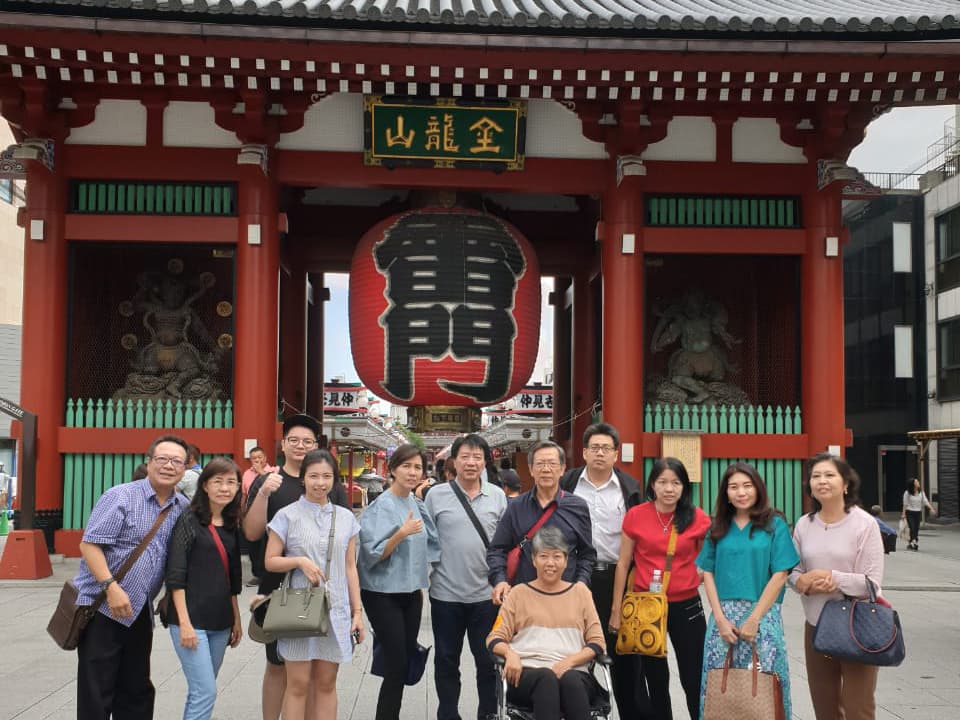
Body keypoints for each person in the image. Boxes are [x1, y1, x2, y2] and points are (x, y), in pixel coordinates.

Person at [73, 434, 190, 719]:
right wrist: (111, 587)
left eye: (177, 461)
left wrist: (168, 595)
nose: (169, 466)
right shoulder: (121, 496)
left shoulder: (182, 507)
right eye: (162, 459)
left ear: (185, 468)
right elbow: (90, 545)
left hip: (139, 610)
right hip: (102, 607)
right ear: (148, 462)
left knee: (136, 689)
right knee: (97, 689)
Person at [244, 414, 349, 720]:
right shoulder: (269, 481)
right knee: (277, 665)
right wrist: (263, 492)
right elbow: (251, 533)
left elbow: (343, 539)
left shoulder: (328, 483)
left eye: (307, 441)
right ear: (283, 444)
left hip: (319, 590)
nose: (300, 446)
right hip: (278, 587)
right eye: (294, 440)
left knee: (316, 670)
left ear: (316, 445)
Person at [264, 449, 364, 720]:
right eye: (314, 476)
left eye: (327, 476)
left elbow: (350, 567)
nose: (320, 483)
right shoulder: (287, 515)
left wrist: (357, 612)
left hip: (336, 608)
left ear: (334, 479)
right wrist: (299, 561)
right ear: (303, 478)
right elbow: (270, 561)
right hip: (300, 609)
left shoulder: (345, 518)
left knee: (326, 684)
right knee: (297, 685)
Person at [610, 457, 711, 720]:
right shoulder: (636, 516)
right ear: (652, 485)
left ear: (684, 486)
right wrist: (616, 610)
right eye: (663, 482)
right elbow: (623, 563)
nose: (669, 488)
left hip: (687, 606)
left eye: (676, 483)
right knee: (655, 678)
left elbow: (708, 561)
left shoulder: (697, 517)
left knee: (694, 676)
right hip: (646, 605)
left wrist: (694, 576)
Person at [696, 462, 799, 719]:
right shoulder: (718, 527)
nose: (741, 492)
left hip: (763, 616)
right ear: (726, 492)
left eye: (747, 485)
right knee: (719, 685)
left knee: (766, 685)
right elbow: (707, 572)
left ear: (758, 488)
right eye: (733, 487)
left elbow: (781, 574)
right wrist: (719, 619)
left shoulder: (774, 524)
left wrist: (754, 618)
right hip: (723, 620)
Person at [789, 453, 885, 720]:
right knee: (825, 708)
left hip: (857, 625)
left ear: (845, 483)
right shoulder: (804, 524)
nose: (822, 481)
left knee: (858, 708)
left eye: (829, 475)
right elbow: (793, 571)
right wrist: (802, 582)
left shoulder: (864, 524)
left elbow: (872, 584)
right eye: (816, 476)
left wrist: (832, 577)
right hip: (817, 625)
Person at [559, 422, 642, 720]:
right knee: (573, 649)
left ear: (616, 454)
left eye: (606, 448)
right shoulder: (567, 483)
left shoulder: (630, 489)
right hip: (572, 578)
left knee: (622, 654)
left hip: (615, 578)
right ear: (584, 452)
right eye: (594, 447)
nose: (600, 453)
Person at [425, 434, 508, 720]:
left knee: (487, 661)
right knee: (446, 660)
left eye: (477, 457)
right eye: (465, 457)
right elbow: (425, 541)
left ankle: (488, 713)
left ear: (485, 462)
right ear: (454, 461)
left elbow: (505, 545)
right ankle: (448, 713)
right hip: (445, 595)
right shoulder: (436, 495)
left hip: (486, 597)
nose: (471, 462)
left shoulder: (497, 496)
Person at [486, 526, 606, 720]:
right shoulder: (518, 593)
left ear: (566, 561)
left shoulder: (581, 593)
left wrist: (569, 662)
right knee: (546, 678)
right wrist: (510, 654)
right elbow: (494, 638)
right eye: (543, 556)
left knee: (570, 679)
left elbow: (597, 642)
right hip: (527, 673)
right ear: (534, 560)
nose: (550, 563)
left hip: (574, 671)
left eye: (557, 556)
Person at [358, 444, 440, 720]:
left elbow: (430, 545)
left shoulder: (415, 503)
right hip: (382, 594)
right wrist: (400, 534)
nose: (412, 472)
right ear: (392, 469)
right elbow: (371, 554)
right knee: (395, 664)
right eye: (406, 466)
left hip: (411, 593)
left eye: (418, 467)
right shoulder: (380, 506)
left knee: (402, 662)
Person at [164, 456, 244, 720]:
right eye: (218, 481)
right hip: (191, 620)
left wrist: (236, 618)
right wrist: (184, 624)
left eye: (231, 482)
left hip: (221, 622)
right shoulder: (189, 520)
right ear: (205, 485)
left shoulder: (231, 524)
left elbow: (233, 579)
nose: (225, 488)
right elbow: (176, 576)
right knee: (205, 691)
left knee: (202, 689)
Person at [487, 440, 595, 607]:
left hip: (566, 599)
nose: (546, 469)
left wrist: (581, 583)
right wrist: (500, 580)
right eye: (540, 464)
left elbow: (586, 554)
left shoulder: (577, 507)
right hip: (524, 599)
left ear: (562, 469)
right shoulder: (516, 507)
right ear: (531, 469)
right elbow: (496, 550)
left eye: (552, 463)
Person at [902, 477, 937, 550]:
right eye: (916, 482)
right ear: (913, 484)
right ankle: (914, 542)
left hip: (918, 512)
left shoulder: (921, 492)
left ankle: (911, 542)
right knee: (912, 527)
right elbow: (905, 504)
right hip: (909, 512)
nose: (918, 483)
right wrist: (903, 514)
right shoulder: (907, 493)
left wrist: (931, 509)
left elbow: (925, 501)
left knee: (916, 528)